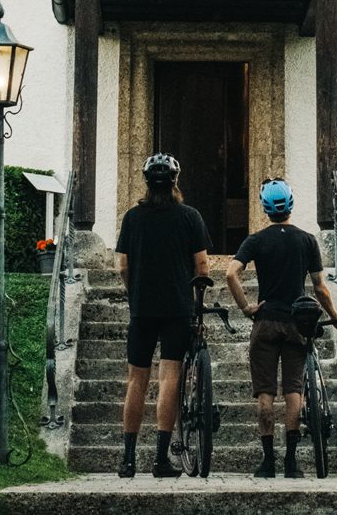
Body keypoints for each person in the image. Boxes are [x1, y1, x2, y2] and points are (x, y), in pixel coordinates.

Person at [225, 177, 337, 478]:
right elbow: (320, 287)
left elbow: (230, 274)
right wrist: (336, 315)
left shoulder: (256, 240)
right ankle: (292, 462)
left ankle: (268, 462)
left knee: (265, 393)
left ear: (265, 207)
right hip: (296, 325)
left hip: (265, 323)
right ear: (291, 203)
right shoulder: (307, 240)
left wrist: (245, 307)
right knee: (293, 390)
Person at [115, 152, 211, 479]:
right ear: (176, 181)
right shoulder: (190, 217)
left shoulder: (132, 218)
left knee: (136, 380)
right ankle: (160, 459)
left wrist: (134, 292)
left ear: (146, 182)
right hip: (177, 308)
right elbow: (202, 266)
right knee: (169, 377)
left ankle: (127, 460)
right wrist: (198, 306)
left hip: (142, 308)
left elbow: (123, 265)